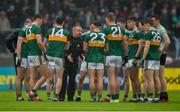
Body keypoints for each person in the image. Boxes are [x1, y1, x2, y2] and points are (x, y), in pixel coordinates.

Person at [44, 16, 71, 101]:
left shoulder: (49, 30)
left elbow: (44, 43)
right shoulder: (67, 33)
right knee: (59, 78)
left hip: (49, 56)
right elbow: (67, 47)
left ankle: (48, 97)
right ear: (63, 22)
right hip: (59, 57)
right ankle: (55, 97)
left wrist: (51, 47)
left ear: (55, 22)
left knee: (49, 78)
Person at [103, 12, 128, 102]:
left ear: (107, 19)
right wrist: (126, 55)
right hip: (119, 56)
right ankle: (116, 98)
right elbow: (125, 43)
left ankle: (112, 98)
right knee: (117, 77)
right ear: (115, 19)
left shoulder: (106, 29)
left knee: (111, 78)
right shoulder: (122, 29)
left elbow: (105, 44)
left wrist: (105, 50)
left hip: (110, 55)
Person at [84, 21, 108, 102]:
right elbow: (107, 49)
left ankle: (93, 98)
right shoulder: (104, 36)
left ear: (93, 26)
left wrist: (90, 50)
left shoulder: (88, 35)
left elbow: (84, 49)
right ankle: (100, 98)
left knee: (91, 79)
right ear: (100, 27)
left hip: (91, 59)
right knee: (100, 79)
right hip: (100, 59)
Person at [59, 25, 83, 101]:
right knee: (64, 80)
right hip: (65, 62)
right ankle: (61, 97)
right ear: (73, 30)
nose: (80, 32)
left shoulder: (80, 40)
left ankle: (70, 97)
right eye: (78, 30)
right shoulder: (67, 38)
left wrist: (82, 57)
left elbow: (80, 52)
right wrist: (67, 56)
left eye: (81, 31)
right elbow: (63, 49)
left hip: (75, 63)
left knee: (72, 81)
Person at [27, 15, 48, 101]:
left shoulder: (28, 29)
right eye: (41, 21)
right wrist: (45, 51)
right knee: (45, 75)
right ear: (38, 19)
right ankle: (33, 92)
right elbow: (39, 42)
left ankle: (33, 97)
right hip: (37, 54)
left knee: (32, 76)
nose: (42, 23)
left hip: (30, 54)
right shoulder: (37, 28)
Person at [141, 18, 162, 103]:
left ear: (148, 24)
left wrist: (143, 58)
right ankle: (157, 97)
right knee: (156, 78)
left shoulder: (148, 34)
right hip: (156, 58)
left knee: (149, 79)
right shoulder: (158, 33)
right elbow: (160, 49)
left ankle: (149, 98)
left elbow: (147, 47)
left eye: (145, 25)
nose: (144, 27)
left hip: (149, 58)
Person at [150, 15, 171, 102]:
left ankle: (163, 95)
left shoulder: (161, 29)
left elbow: (168, 42)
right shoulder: (156, 29)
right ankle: (162, 95)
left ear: (158, 21)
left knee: (160, 76)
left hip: (160, 55)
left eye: (153, 21)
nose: (151, 23)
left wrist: (162, 51)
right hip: (158, 55)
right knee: (158, 76)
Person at [125, 17, 143, 102]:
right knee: (132, 77)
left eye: (129, 22)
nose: (127, 24)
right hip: (130, 57)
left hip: (135, 58)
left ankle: (139, 96)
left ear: (133, 22)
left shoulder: (138, 33)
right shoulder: (130, 33)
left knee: (135, 77)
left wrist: (136, 57)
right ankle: (135, 96)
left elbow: (140, 46)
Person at [75, 24, 93, 101]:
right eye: (91, 26)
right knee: (81, 78)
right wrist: (80, 55)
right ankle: (78, 96)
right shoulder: (84, 35)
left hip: (94, 60)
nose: (93, 27)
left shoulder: (100, 34)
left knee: (93, 79)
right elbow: (77, 44)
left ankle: (93, 97)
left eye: (94, 26)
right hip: (85, 59)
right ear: (89, 26)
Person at [16, 18, 32, 101]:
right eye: (27, 22)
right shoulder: (23, 29)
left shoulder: (29, 31)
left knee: (27, 77)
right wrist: (19, 56)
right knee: (20, 77)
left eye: (29, 22)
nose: (29, 23)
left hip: (28, 57)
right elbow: (19, 43)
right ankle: (18, 96)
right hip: (22, 56)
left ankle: (29, 95)